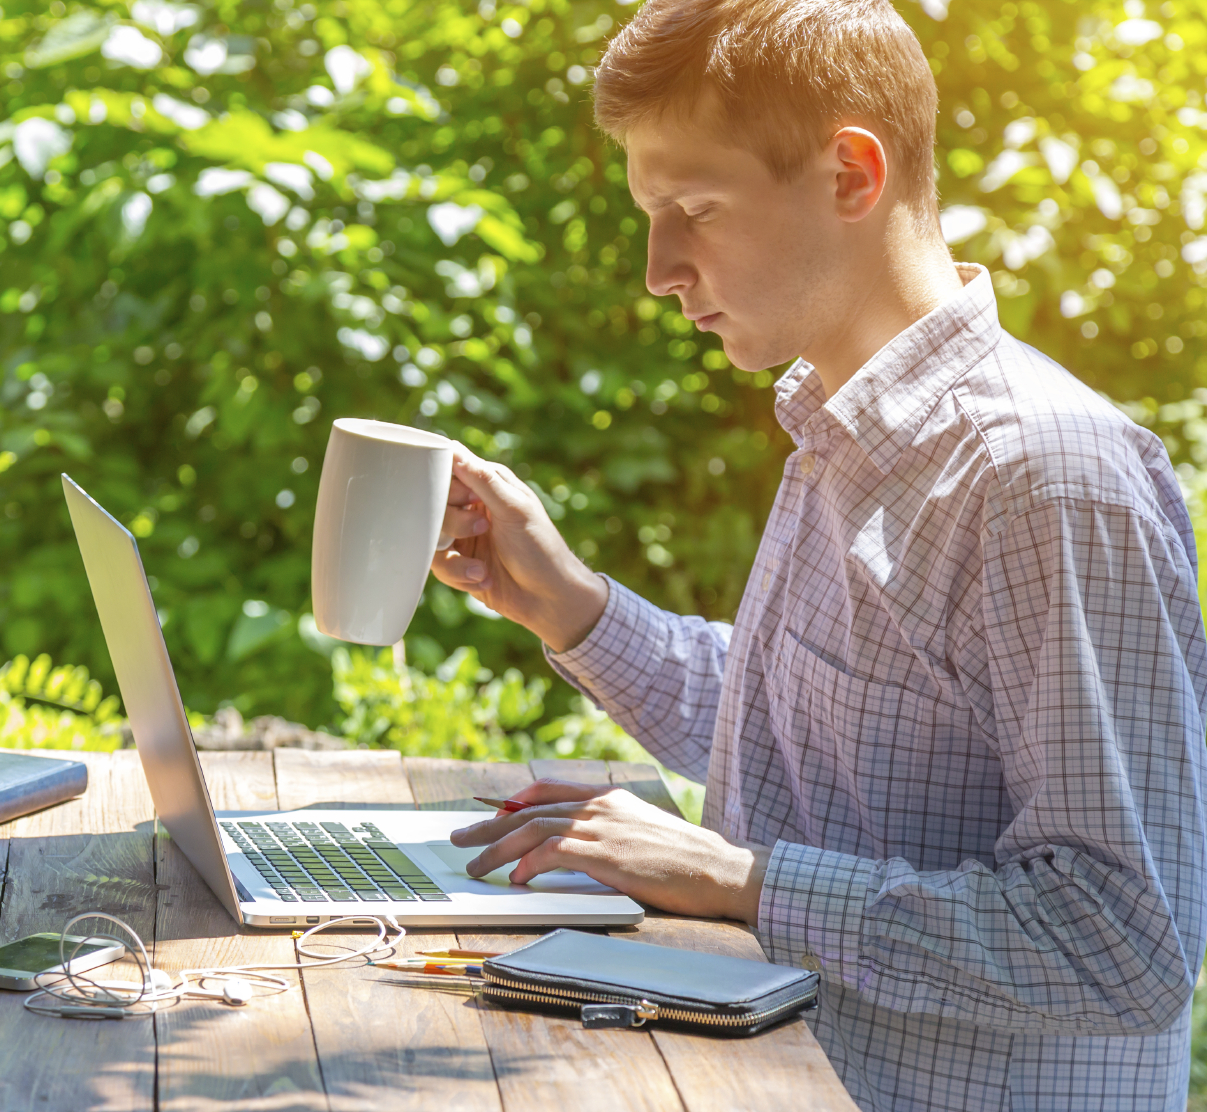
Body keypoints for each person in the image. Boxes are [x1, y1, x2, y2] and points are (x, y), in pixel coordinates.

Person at [437, 1, 1207, 1108]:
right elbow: (818, 761)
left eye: (692, 208)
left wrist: (742, 879)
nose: (658, 267)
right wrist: (571, 608)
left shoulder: (1044, 479)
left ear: (852, 174)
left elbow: (1124, 940)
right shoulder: (843, 434)